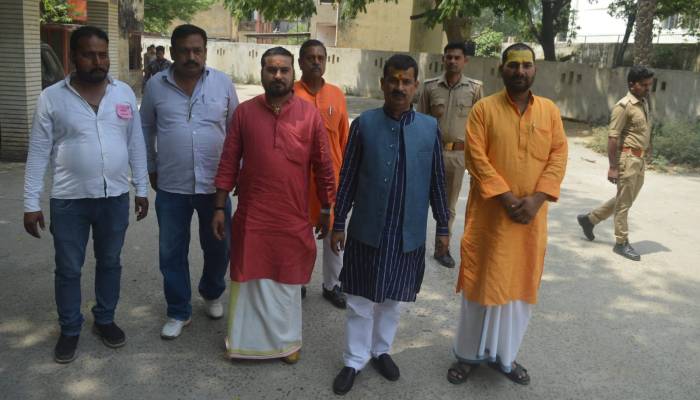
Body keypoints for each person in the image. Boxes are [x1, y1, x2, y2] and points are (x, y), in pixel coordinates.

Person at [23, 26, 149, 363]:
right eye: (89, 55)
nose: (98, 61)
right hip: (69, 200)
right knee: (68, 268)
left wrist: (141, 188)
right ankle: (70, 328)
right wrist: (30, 203)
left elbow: (135, 143)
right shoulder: (52, 97)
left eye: (102, 54)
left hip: (114, 197)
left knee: (110, 262)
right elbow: (38, 153)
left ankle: (105, 319)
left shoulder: (123, 94)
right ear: (73, 57)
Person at [447, 43, 568, 387]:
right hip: (491, 220)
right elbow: (476, 157)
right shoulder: (483, 109)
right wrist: (506, 198)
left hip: (530, 221)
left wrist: (537, 199)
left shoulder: (549, 112)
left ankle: (505, 356)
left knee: (518, 290)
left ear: (535, 70)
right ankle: (467, 355)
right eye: (513, 65)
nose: (520, 71)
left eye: (526, 65)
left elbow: (558, 156)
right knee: (481, 284)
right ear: (501, 69)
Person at [329, 54, 450, 395]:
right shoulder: (364, 125)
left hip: (406, 233)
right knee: (359, 300)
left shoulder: (429, 128)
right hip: (368, 230)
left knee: (393, 300)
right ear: (382, 84)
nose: (399, 87)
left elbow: (438, 182)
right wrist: (339, 222)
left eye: (406, 81)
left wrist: (443, 227)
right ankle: (354, 359)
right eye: (393, 81)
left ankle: (381, 350)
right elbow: (348, 177)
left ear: (415, 86)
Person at [211, 46, 335, 363]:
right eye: (271, 69)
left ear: (293, 74)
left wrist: (326, 208)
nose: (277, 75)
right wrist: (219, 207)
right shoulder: (245, 113)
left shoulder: (309, 115)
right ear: (262, 73)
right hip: (253, 214)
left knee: (286, 280)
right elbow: (228, 161)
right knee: (249, 275)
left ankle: (286, 344)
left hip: (291, 214)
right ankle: (244, 343)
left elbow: (323, 166)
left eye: (283, 70)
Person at [140, 24, 239, 339]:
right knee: (171, 251)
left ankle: (211, 291)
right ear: (172, 52)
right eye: (184, 51)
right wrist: (150, 167)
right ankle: (178, 310)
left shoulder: (222, 83)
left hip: (215, 186)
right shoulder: (155, 86)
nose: (191, 56)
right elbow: (145, 129)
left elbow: (237, 131)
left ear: (206, 52)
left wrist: (238, 171)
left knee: (220, 247)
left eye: (197, 50)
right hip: (172, 184)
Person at [577, 66, 654, 261]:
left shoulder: (643, 103)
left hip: (639, 160)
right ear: (632, 84)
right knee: (624, 203)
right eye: (644, 85)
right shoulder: (623, 106)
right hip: (628, 159)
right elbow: (613, 138)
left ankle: (590, 219)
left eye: (649, 84)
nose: (648, 88)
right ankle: (621, 242)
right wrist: (612, 167)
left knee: (625, 199)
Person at [294, 39, 350, 309]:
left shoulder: (337, 95)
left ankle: (333, 284)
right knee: (299, 233)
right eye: (310, 57)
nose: (316, 62)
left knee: (333, 232)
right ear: (300, 62)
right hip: (299, 180)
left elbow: (344, 139)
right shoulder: (291, 93)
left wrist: (347, 176)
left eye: (321, 57)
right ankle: (298, 281)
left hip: (332, 180)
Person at [417, 42, 483, 268]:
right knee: (419, 200)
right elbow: (419, 120)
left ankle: (442, 248)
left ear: (465, 61)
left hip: (457, 156)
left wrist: (475, 161)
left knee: (448, 206)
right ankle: (414, 245)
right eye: (449, 57)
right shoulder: (430, 87)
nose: (452, 61)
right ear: (443, 59)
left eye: (457, 57)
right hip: (430, 153)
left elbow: (480, 126)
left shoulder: (475, 89)